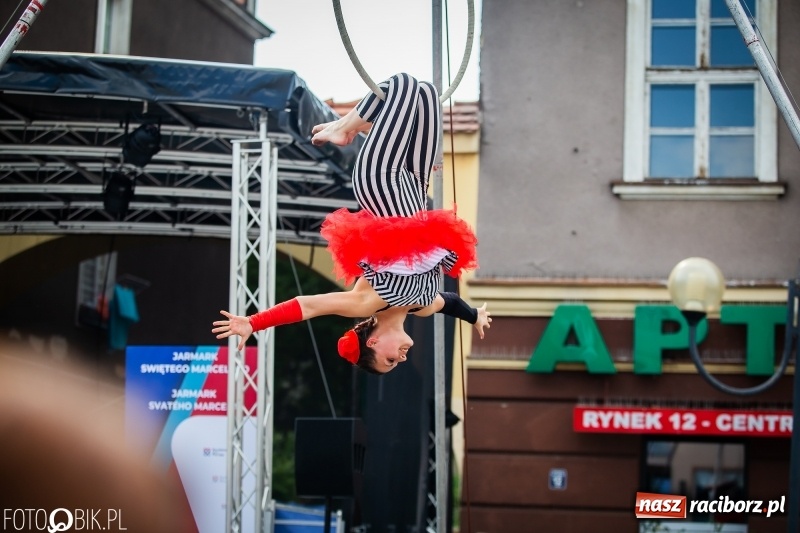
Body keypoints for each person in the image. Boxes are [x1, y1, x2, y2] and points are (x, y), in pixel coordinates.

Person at [213, 73, 490, 374]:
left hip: (380, 184)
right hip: (415, 185)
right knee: (426, 94)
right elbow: (451, 303)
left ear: (372, 343)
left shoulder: (367, 302)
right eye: (398, 363)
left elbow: (308, 306)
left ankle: (344, 128)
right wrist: (474, 315)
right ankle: (350, 127)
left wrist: (253, 322)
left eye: (391, 360)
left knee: (403, 85)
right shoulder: (424, 306)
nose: (402, 358)